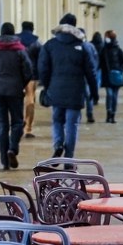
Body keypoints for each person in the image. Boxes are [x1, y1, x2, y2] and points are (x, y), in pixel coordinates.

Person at [38, 13, 98, 158]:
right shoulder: (82, 46)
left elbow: (43, 68)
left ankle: (58, 144)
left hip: (55, 89)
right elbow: (90, 72)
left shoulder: (50, 45)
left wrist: (47, 86)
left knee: (57, 120)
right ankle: (69, 157)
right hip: (76, 92)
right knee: (72, 124)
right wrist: (94, 92)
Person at [0, 22, 33, 170]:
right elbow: (28, 71)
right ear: (13, 34)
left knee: (2, 125)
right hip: (15, 91)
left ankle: (4, 161)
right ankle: (12, 148)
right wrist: (21, 83)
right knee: (17, 122)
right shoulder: (20, 50)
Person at [18, 21, 41, 138]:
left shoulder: (16, 40)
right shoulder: (36, 42)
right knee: (30, 99)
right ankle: (28, 127)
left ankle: (19, 121)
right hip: (32, 75)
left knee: (17, 99)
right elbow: (41, 60)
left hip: (18, 74)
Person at [99, 30, 123, 123]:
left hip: (116, 75)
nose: (105, 39)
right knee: (109, 95)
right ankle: (108, 113)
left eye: (107, 37)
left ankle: (113, 114)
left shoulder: (118, 49)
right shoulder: (104, 49)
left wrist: (122, 70)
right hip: (107, 75)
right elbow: (100, 61)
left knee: (114, 96)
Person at [80, 28, 99, 123]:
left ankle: (79, 115)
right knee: (88, 96)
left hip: (79, 75)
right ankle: (90, 114)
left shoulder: (76, 46)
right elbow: (95, 59)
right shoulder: (90, 46)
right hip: (87, 74)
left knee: (80, 95)